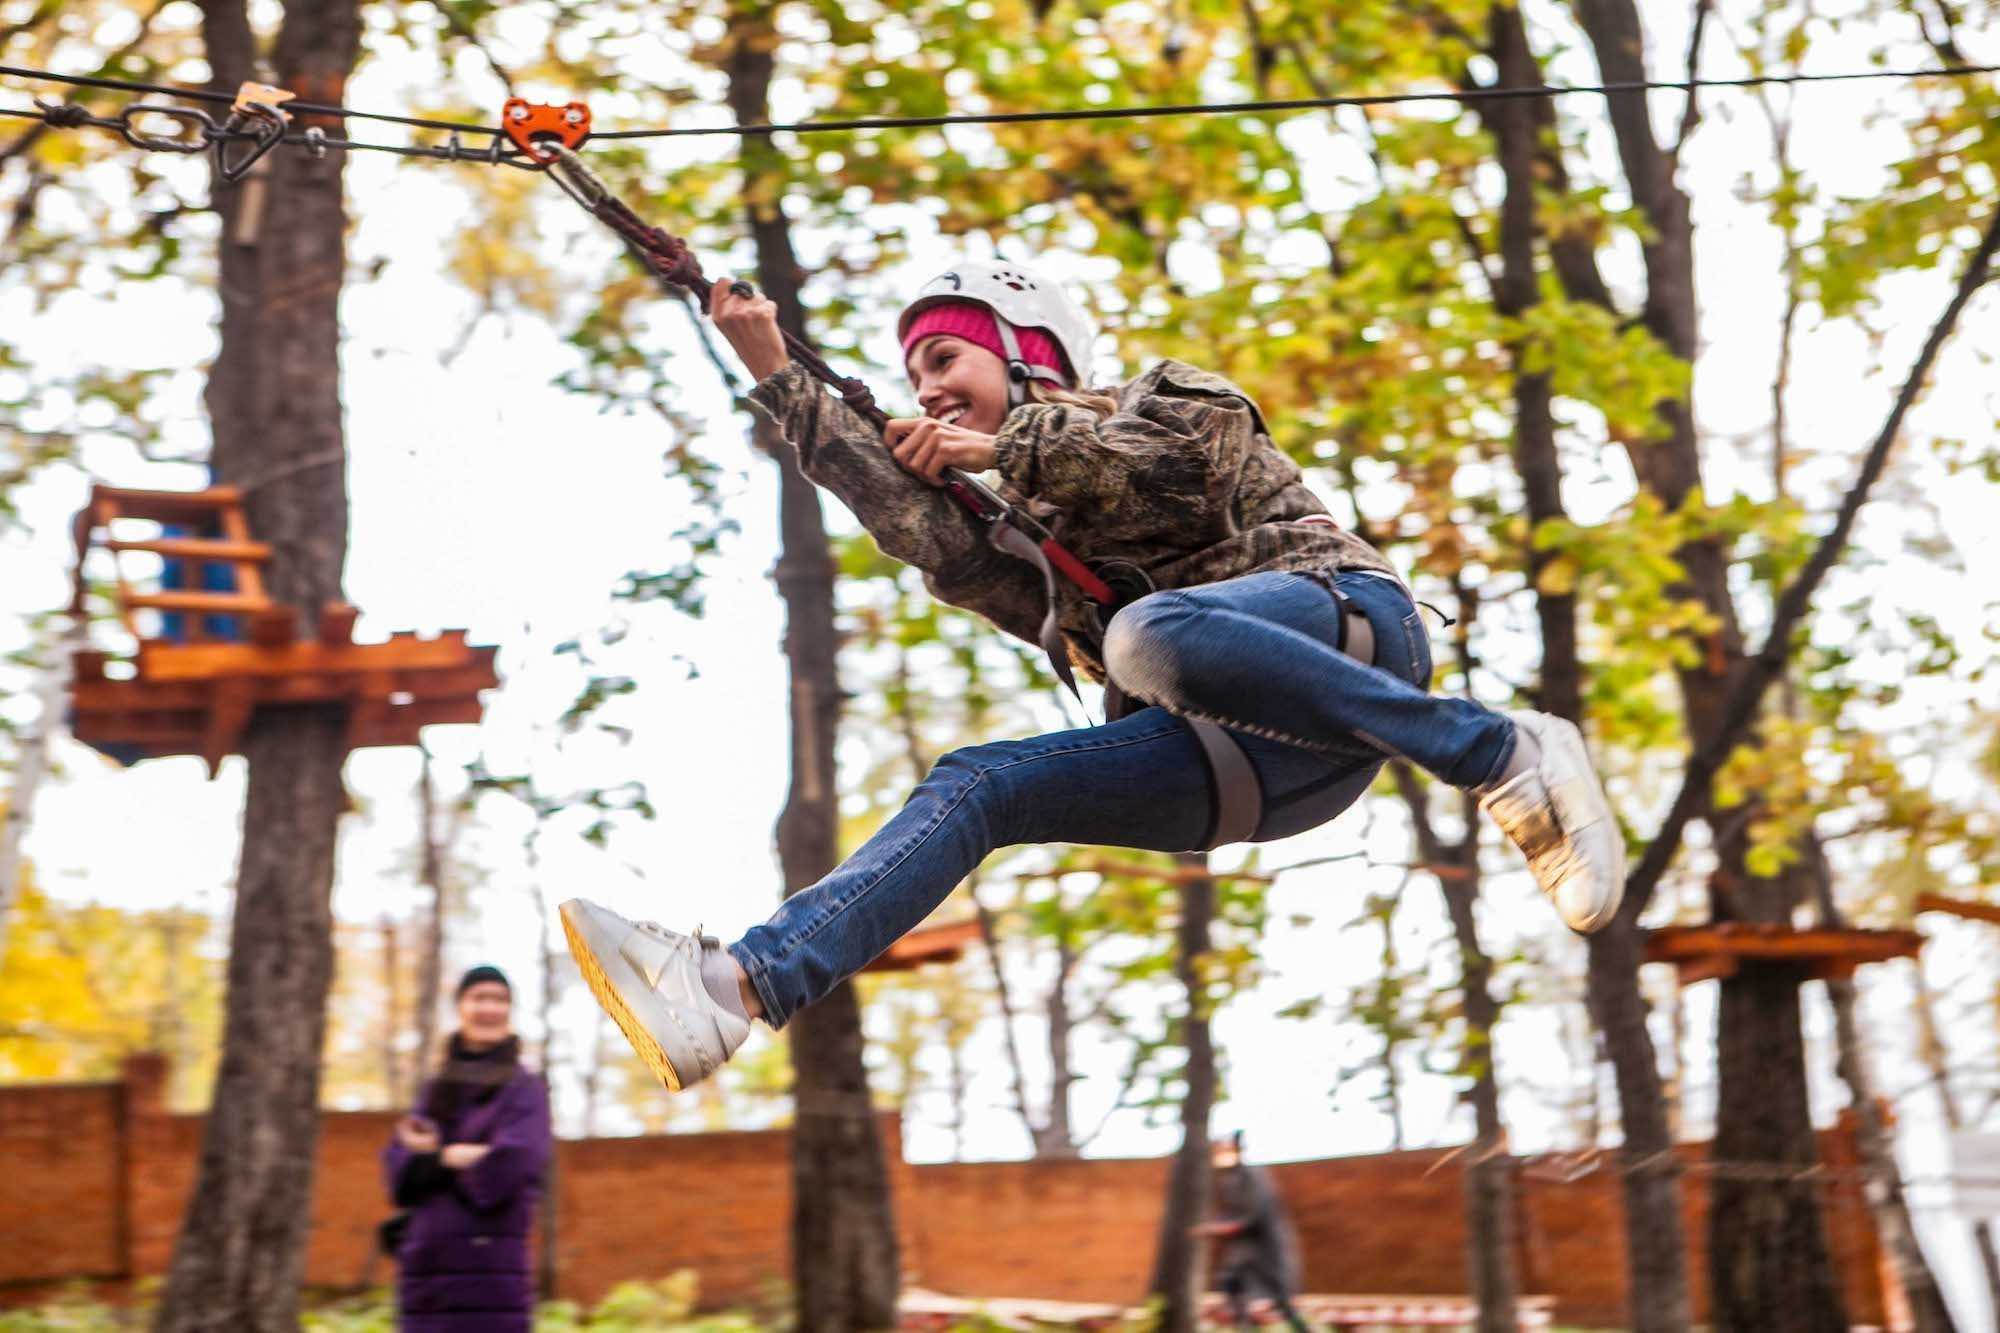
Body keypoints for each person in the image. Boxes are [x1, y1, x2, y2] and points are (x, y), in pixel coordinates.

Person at [559, 258, 1624, 1091]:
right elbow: (915, 527)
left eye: (947, 361)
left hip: (1339, 630)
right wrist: (776, 375)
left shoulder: (1163, 397)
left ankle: (1498, 751)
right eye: (919, 372)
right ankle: (735, 987)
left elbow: (1166, 476)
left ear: (1026, 354)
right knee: (979, 781)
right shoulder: (1016, 539)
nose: (928, 387)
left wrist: (999, 452)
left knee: (1144, 637)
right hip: (1251, 773)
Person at [381, 965, 551, 1332]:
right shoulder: (435, 1087)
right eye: (479, 998)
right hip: (426, 1273)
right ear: (460, 1007)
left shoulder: (526, 1089)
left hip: (490, 1272)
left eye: (499, 999)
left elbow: (512, 1165)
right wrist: (451, 1156)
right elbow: (399, 1169)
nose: (489, 1008)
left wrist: (433, 1156)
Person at [1196, 1132, 1312, 1333]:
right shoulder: (1229, 1178)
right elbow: (1231, 1212)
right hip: (1243, 1247)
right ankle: (1244, 1328)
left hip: (1266, 1246)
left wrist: (1229, 1227)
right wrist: (1216, 1226)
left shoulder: (1252, 1175)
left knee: (1281, 1300)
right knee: (1231, 1283)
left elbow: (1258, 1211)